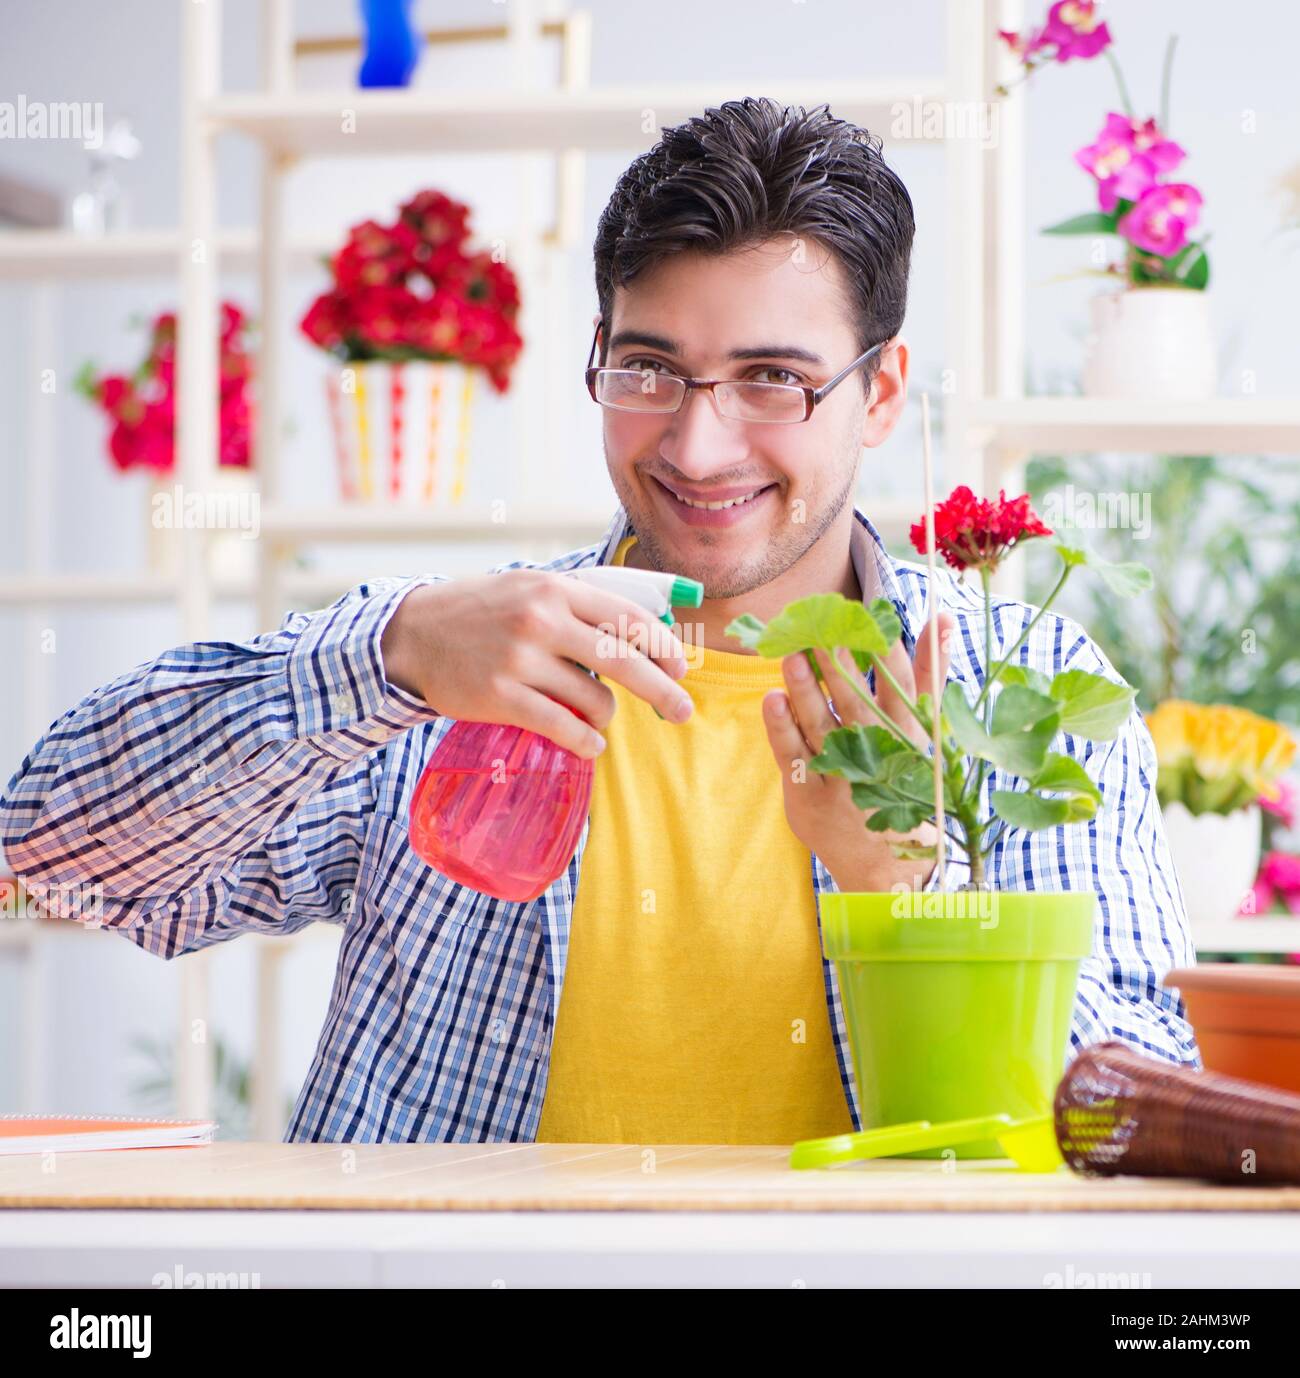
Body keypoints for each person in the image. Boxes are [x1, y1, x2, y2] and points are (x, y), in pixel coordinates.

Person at [1, 97, 1198, 1147]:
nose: (696, 443)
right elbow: (55, 853)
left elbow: (1125, 1115)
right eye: (648, 369)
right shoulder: (458, 653)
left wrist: (908, 896)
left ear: (878, 395)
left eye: (772, 378)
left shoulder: (1016, 686)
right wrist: (389, 653)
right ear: (596, 358)